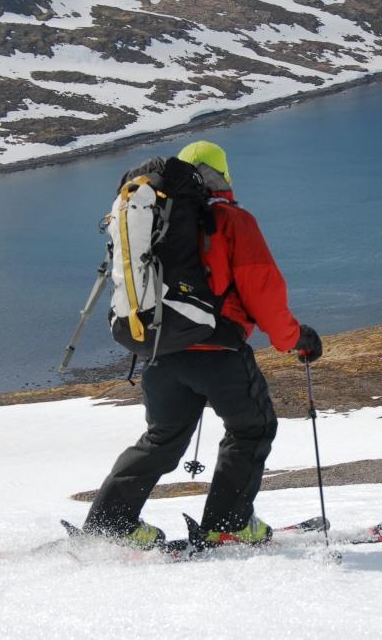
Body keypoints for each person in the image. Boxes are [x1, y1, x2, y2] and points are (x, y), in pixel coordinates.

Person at [82, 140, 322, 548]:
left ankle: (111, 525)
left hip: (160, 352)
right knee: (252, 429)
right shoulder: (230, 220)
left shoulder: (155, 220)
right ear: (223, 176)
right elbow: (262, 291)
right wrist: (295, 339)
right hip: (219, 353)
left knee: (162, 439)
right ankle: (228, 525)